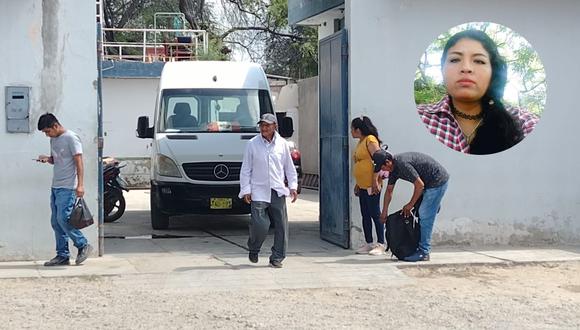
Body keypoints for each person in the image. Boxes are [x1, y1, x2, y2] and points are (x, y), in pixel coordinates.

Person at [417, 29, 539, 155]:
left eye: (479, 61)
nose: (466, 68)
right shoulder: (420, 117)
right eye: (455, 60)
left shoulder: (522, 122)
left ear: (493, 72)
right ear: (442, 69)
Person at [239, 113, 298, 268]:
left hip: (277, 189)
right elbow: (246, 169)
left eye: (267, 125)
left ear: (274, 127)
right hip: (258, 190)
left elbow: (289, 168)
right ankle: (254, 247)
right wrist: (246, 189)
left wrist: (293, 186)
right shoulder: (252, 144)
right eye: (262, 125)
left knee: (281, 226)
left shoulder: (283, 144)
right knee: (260, 224)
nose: (263, 128)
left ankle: (277, 257)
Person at [373, 150, 449, 262]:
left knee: (424, 214)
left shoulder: (402, 164)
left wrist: (409, 205)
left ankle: (424, 252)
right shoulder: (393, 169)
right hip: (427, 183)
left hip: (437, 181)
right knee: (422, 211)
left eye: (382, 167)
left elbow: (419, 185)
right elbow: (389, 191)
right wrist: (384, 212)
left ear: (388, 162)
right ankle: (433, 205)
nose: (382, 170)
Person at [37, 113, 93, 266]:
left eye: (47, 131)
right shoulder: (54, 140)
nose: (47, 135)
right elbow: (57, 160)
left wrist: (80, 185)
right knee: (56, 222)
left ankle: (83, 244)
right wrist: (47, 159)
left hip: (68, 187)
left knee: (63, 218)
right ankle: (62, 255)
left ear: (55, 126)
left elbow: (79, 163)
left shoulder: (71, 138)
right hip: (56, 186)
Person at [351, 116, 386, 256]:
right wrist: (358, 184)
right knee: (365, 214)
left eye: (352, 129)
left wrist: (375, 180)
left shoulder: (370, 140)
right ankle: (369, 242)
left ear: (358, 129)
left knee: (375, 214)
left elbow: (379, 158)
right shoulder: (360, 142)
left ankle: (381, 243)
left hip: (372, 185)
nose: (351, 132)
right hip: (363, 185)